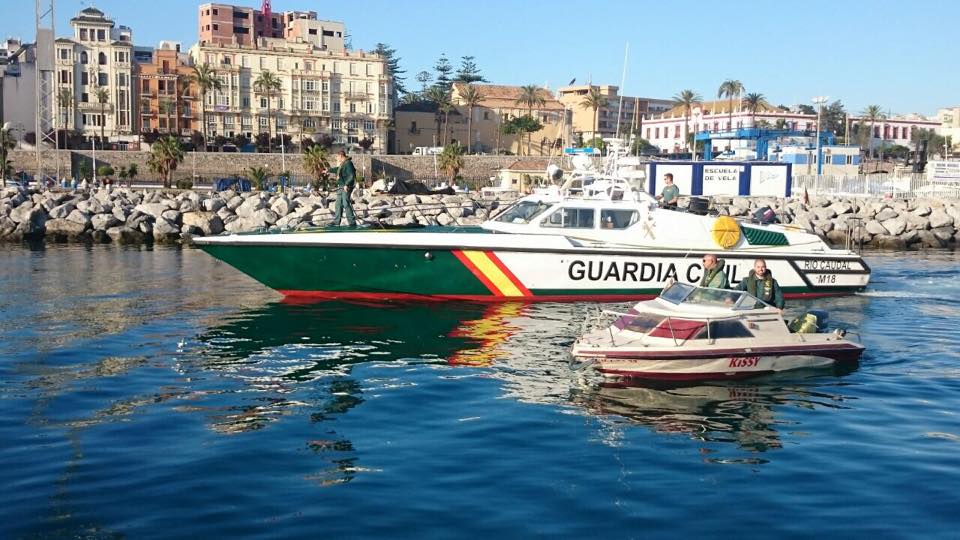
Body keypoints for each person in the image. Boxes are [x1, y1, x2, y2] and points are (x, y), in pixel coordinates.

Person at [328, 150, 357, 226]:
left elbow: (351, 176)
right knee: (338, 204)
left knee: (345, 203)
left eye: (337, 157)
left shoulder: (348, 163)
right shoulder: (343, 164)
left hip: (346, 187)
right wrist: (328, 170)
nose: (336, 158)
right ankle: (336, 222)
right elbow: (338, 169)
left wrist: (346, 184)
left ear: (341, 156)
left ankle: (352, 222)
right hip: (341, 186)